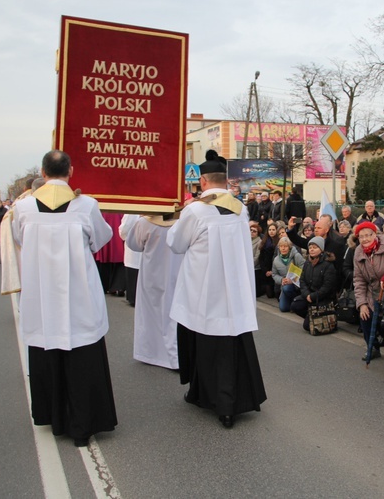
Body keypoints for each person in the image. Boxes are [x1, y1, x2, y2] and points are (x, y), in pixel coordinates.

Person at [12, 150, 117, 447]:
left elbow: (20, 239)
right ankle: (84, 423)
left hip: (42, 295)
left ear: (43, 173)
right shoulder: (86, 205)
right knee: (82, 353)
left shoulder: (24, 208)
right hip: (79, 295)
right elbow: (101, 238)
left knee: (48, 348)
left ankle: (54, 416)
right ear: (71, 171)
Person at [167, 155, 266, 429]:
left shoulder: (196, 211)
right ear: (226, 182)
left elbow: (175, 243)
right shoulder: (241, 209)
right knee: (231, 344)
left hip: (205, 292)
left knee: (204, 343)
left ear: (203, 181)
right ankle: (232, 403)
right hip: (233, 291)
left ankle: (204, 395)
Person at [126, 215, 183, 370]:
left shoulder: (145, 222)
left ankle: (149, 352)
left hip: (152, 272)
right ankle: (175, 355)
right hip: (176, 271)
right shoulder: (183, 221)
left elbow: (133, 244)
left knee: (150, 311)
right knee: (173, 312)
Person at [352, 221, 384, 362]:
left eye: (368, 235)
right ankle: (372, 347)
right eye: (361, 236)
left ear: (376, 235)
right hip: (371, 290)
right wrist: (362, 303)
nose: (365, 239)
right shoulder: (358, 252)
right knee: (365, 316)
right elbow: (359, 279)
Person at [291, 236, 338, 331]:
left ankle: (324, 318)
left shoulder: (328, 265)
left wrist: (313, 296)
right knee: (295, 305)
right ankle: (312, 316)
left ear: (321, 249)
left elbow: (327, 286)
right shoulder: (307, 262)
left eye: (315, 247)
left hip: (323, 298)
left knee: (307, 327)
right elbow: (302, 280)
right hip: (309, 295)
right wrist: (307, 294)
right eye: (310, 247)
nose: (312, 249)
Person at [272, 236, 305, 312]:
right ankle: (293, 302)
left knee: (287, 288)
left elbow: (304, 270)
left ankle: (297, 300)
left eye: (285, 246)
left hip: (298, 284)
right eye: (281, 246)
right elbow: (274, 274)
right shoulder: (276, 260)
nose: (283, 248)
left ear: (289, 247)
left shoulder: (296, 256)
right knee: (283, 308)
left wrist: (292, 280)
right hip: (285, 285)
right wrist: (281, 280)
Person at [118, 214, 142, 306]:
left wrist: (126, 237)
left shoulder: (132, 212)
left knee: (134, 275)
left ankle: (133, 298)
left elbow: (124, 229)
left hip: (133, 248)